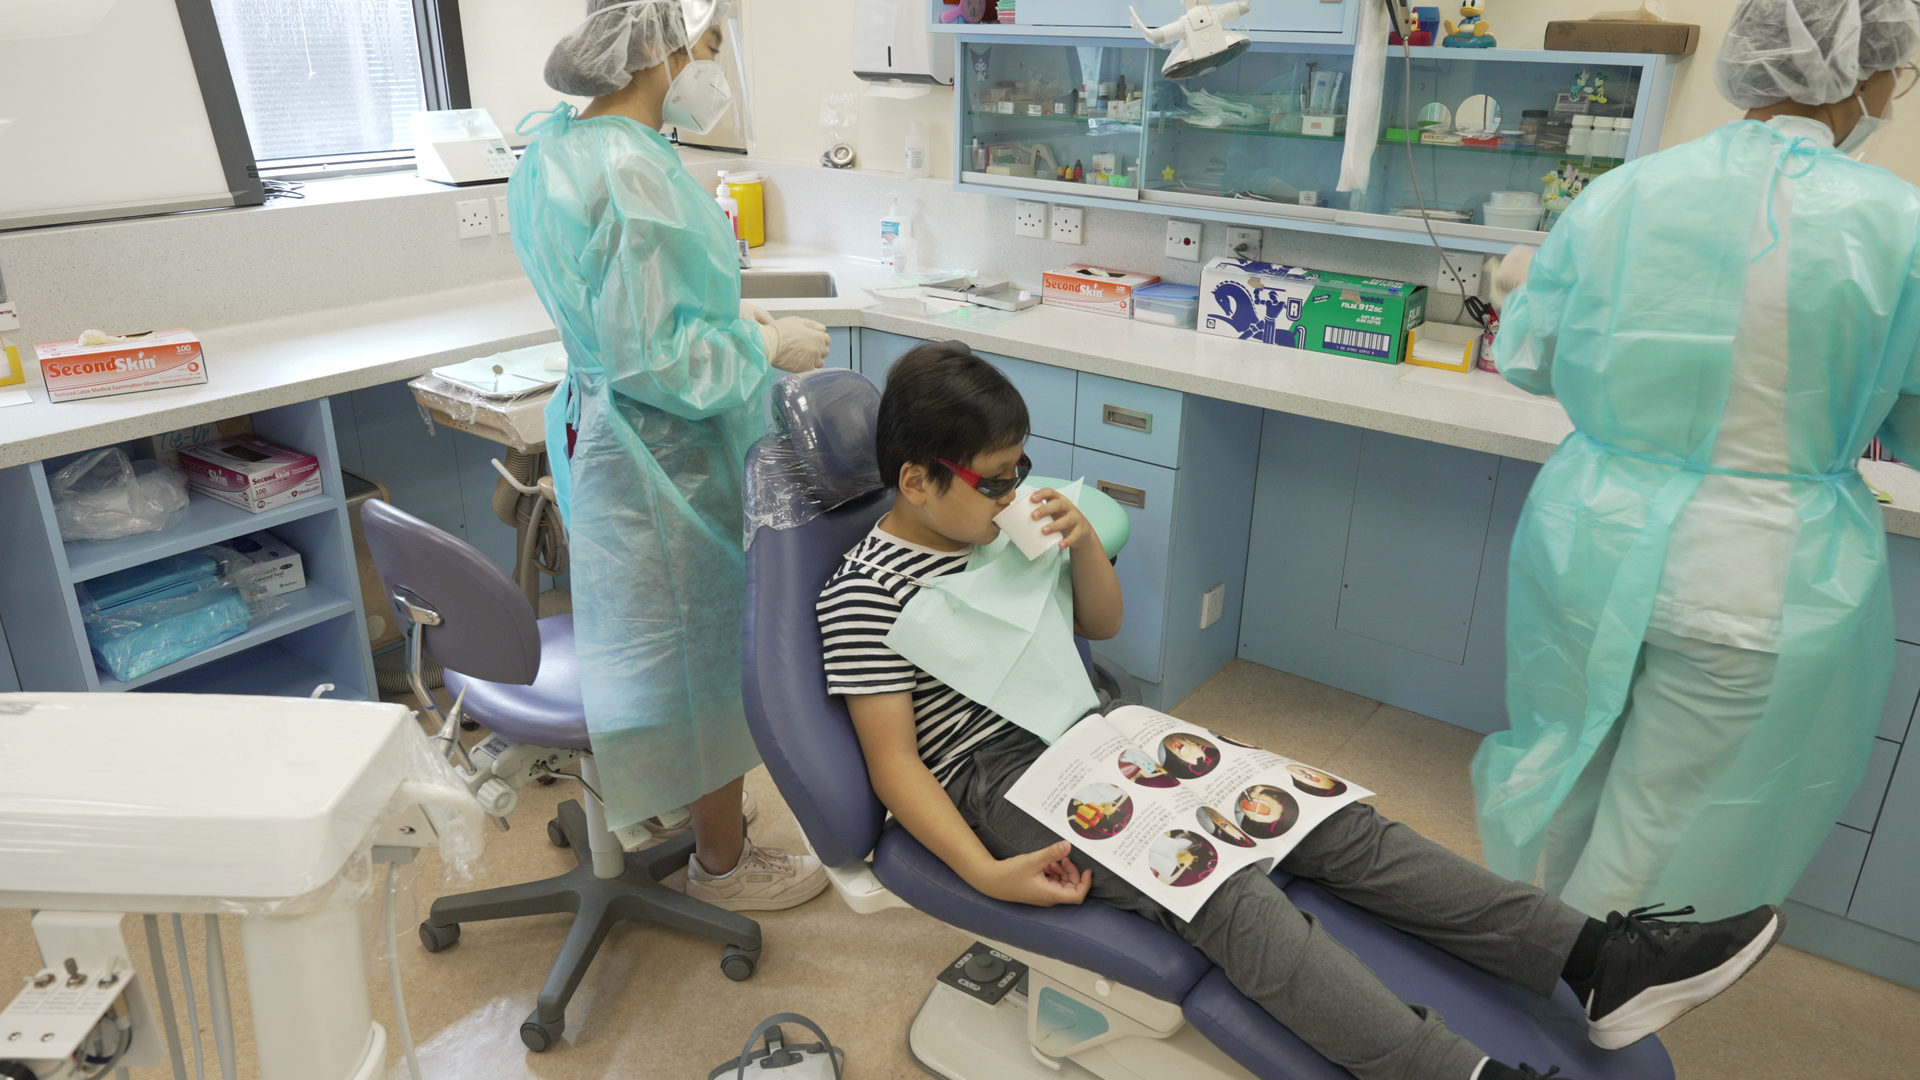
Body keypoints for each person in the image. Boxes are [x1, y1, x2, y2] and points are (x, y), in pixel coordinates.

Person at [817, 344, 1784, 1080]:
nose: (1014, 491)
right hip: (999, 781)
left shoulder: (1002, 526)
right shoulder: (864, 595)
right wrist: (985, 872)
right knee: (1222, 889)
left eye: (1021, 468)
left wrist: (1080, 547)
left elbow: (1100, 627)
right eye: (995, 478)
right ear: (918, 480)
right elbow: (895, 763)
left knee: (1323, 817)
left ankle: (1596, 958)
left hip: (1099, 726)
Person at [1475, 0, 1920, 922]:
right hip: (1750, 579)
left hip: (1592, 548)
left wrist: (1517, 288)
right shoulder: (1897, 224)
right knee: (1659, 820)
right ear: (1864, 71)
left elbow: (1532, 360)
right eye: (1898, 72)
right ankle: (1585, 989)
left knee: (1567, 764)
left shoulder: (1629, 191)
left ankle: (1525, 952)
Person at [509, 0, 832, 910]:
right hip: (667, 455)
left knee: (648, 643)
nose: (714, 66)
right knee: (700, 656)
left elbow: (631, 320)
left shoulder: (556, 149)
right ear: (658, 51)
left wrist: (733, 318)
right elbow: (664, 362)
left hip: (609, 439)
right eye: (710, 45)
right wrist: (764, 343)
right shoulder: (635, 170)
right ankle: (721, 863)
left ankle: (669, 805)